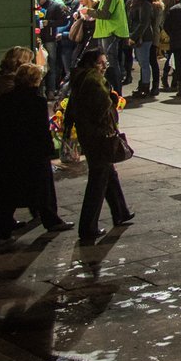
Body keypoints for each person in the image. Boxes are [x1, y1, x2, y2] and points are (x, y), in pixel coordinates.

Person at [0, 62, 70, 242]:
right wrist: (48, 150)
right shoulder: (36, 101)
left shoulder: (6, 98)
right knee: (44, 190)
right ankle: (51, 221)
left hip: (9, 152)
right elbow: (41, 130)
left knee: (9, 193)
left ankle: (1, 230)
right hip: (33, 153)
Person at [69, 49, 132, 243]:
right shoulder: (93, 82)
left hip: (89, 135)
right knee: (98, 181)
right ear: (91, 64)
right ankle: (88, 227)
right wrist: (112, 102)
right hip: (98, 136)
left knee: (108, 174)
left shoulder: (81, 78)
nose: (105, 66)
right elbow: (100, 112)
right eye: (101, 63)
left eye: (105, 62)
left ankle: (121, 212)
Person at [87, 0, 130, 89]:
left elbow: (105, 14)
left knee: (111, 63)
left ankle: (116, 91)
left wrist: (88, 11)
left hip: (112, 31)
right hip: (107, 31)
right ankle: (112, 89)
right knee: (109, 62)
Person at [129, 0, 162, 97]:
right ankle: (143, 85)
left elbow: (144, 23)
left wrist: (133, 37)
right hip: (140, 36)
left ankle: (145, 86)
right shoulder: (136, 3)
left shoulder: (145, 5)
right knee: (143, 62)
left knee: (145, 63)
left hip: (144, 37)